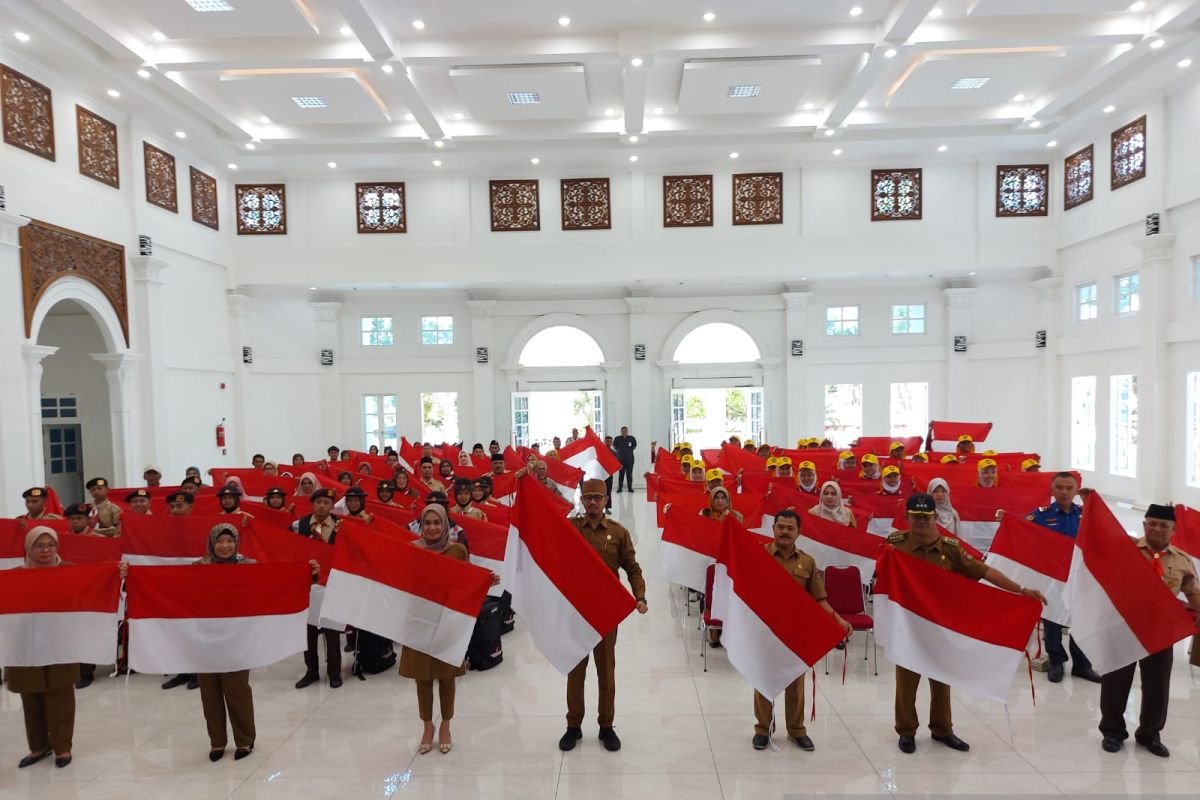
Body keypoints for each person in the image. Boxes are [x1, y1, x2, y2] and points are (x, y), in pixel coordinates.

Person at [887, 493, 1045, 754]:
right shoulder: (895, 545)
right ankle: (906, 731)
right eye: (915, 518)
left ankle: (942, 729)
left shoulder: (949, 549)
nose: (921, 523)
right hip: (909, 627)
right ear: (908, 518)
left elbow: (984, 572)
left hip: (940, 628)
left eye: (926, 518)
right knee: (906, 682)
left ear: (936, 518)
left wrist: (1020, 589)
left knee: (942, 680)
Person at [5, 527, 126, 769]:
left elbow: (94, 585)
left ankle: (62, 747)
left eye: (51, 545)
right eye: (39, 546)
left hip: (62, 642)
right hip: (25, 644)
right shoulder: (15, 575)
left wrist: (117, 574)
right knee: (30, 694)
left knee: (60, 693)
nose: (46, 550)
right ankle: (38, 746)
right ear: (28, 548)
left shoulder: (70, 570)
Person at [1099, 504, 1200, 757]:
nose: (1156, 528)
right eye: (1151, 523)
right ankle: (1113, 731)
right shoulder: (1125, 552)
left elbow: (1193, 593)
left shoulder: (1182, 561)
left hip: (1159, 630)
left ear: (1173, 529)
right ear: (1144, 525)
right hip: (1123, 626)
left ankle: (1150, 734)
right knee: (1116, 681)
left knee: (1157, 685)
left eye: (1163, 525)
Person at [752, 510, 852, 751]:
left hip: (796, 632)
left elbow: (819, 599)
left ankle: (796, 730)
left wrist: (838, 620)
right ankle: (762, 730)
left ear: (799, 532)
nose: (784, 532)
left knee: (795, 681)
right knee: (763, 680)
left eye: (790, 528)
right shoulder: (759, 555)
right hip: (766, 630)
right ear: (773, 528)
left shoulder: (807, 562)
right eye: (780, 527)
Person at [559, 479, 647, 753]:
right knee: (576, 672)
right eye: (588, 498)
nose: (593, 502)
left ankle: (606, 726)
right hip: (577, 612)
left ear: (607, 499)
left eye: (598, 497)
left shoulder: (618, 533)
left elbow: (632, 568)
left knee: (606, 672)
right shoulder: (570, 529)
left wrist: (640, 595)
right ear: (582, 501)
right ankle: (573, 726)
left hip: (606, 613)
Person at [399, 504, 471, 755]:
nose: (432, 528)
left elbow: (467, 583)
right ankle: (428, 726)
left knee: (447, 676)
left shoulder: (457, 550)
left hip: (447, 622)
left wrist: (486, 580)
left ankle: (446, 726)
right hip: (419, 621)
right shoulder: (411, 550)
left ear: (445, 525)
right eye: (427, 523)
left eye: (436, 523)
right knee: (423, 678)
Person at [1018, 472, 1099, 684]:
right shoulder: (1040, 515)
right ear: (1052, 490)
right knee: (1053, 618)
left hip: (1079, 576)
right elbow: (1022, 534)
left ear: (1076, 491)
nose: (1064, 492)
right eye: (1059, 488)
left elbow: (1101, 536)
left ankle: (1082, 665)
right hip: (1052, 577)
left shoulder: (1084, 515)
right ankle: (1056, 661)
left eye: (1069, 488)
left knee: (1080, 618)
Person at [195, 523, 257, 762]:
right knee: (209, 693)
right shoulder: (198, 568)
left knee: (237, 690)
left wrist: (309, 572)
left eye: (229, 541)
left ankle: (245, 740)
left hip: (236, 639)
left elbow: (271, 586)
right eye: (220, 541)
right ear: (212, 543)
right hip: (205, 639)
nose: (225, 546)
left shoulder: (249, 567)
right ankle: (217, 742)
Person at [293, 488, 343, 689]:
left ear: (332, 505)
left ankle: (334, 673)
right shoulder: (300, 525)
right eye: (318, 502)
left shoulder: (341, 526)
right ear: (312, 504)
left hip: (331, 585)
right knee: (309, 631)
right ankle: (311, 671)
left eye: (326, 502)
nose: (322, 506)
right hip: (308, 585)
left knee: (332, 631)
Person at [612, 426, 637, 493]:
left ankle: (630, 488)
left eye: (625, 431)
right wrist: (619, 451)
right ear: (621, 432)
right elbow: (614, 446)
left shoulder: (631, 438)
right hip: (620, 460)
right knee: (621, 474)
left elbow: (634, 446)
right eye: (623, 431)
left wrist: (628, 450)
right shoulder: (617, 438)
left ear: (627, 431)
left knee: (629, 474)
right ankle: (620, 488)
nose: (624, 432)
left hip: (630, 460)